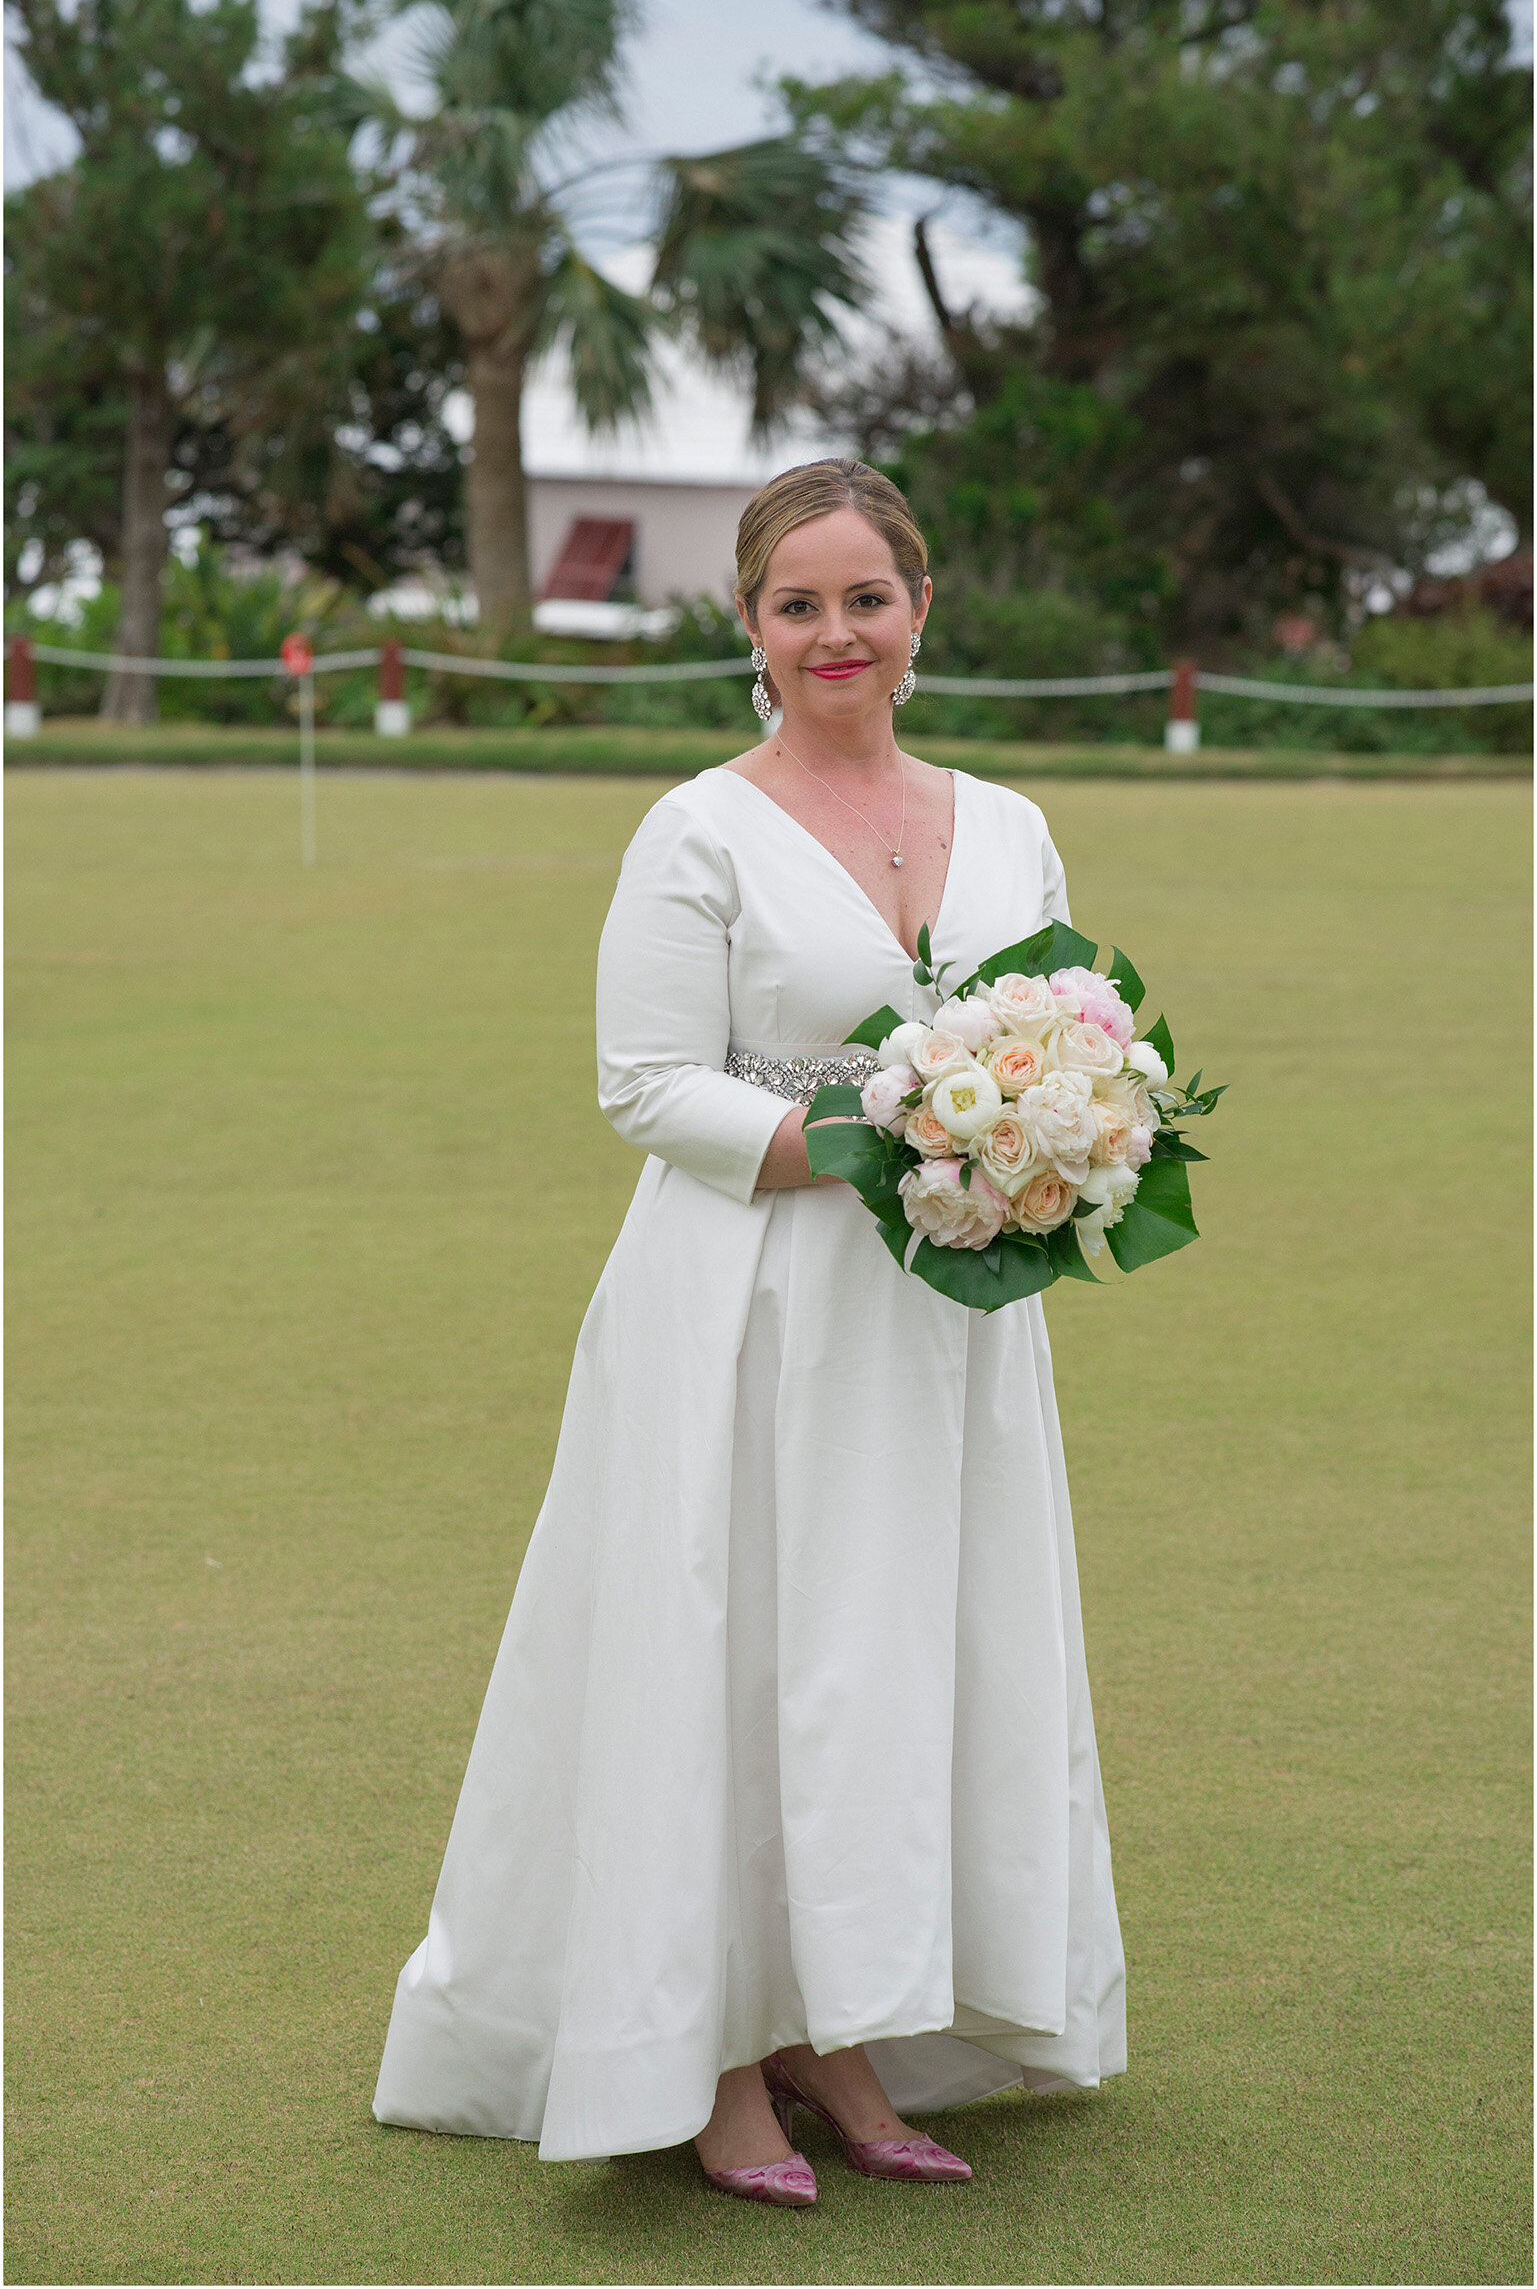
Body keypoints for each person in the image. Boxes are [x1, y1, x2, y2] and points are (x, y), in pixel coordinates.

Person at [373, 459, 1125, 2208]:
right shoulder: (698, 827)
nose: (836, 631)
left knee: (883, 1659)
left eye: (866, 597)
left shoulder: (1005, 821)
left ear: (919, 611)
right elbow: (646, 1088)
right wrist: (890, 1139)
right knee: (738, 1655)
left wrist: (1046, 1146)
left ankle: (840, 2036)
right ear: (751, 629)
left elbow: (1064, 1030)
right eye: (799, 604)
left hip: (944, 1322)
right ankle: (713, 2056)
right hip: (743, 1307)